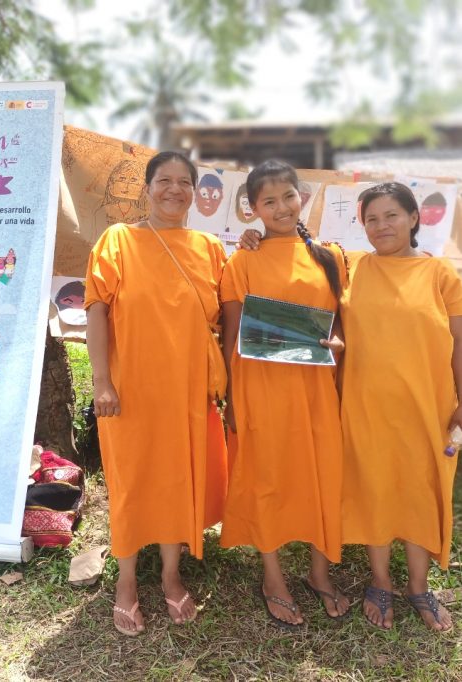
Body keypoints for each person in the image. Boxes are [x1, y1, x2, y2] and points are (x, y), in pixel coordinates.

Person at [85, 151, 229, 636]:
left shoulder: (210, 247)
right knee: (130, 481)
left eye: (184, 182)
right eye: (164, 180)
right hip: (129, 389)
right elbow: (96, 311)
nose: (175, 190)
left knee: (176, 477)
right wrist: (101, 381)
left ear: (195, 192)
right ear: (147, 189)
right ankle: (125, 580)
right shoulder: (118, 240)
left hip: (187, 390)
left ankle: (170, 574)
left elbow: (229, 309)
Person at [220, 159, 350, 629]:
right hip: (262, 388)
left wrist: (337, 344)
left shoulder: (330, 257)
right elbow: (232, 334)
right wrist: (231, 398)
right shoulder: (242, 261)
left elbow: (341, 325)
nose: (281, 207)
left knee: (322, 476)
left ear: (303, 198)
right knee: (268, 477)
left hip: (317, 389)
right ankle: (273, 577)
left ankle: (319, 572)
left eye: (288, 197)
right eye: (268, 201)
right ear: (252, 209)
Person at [338, 182, 462, 632]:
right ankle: (380, 581)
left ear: (413, 218)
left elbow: (460, 343)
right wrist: (252, 235)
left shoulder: (441, 274)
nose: (380, 226)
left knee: (419, 491)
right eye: (371, 219)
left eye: (390, 215)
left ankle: (418, 586)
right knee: (375, 489)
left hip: (427, 408)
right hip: (365, 405)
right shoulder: (353, 267)